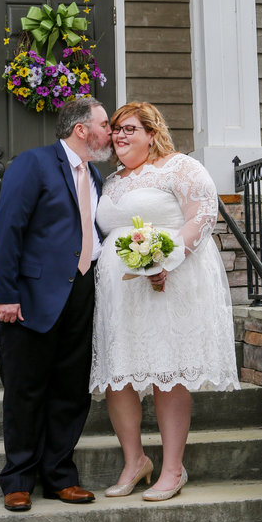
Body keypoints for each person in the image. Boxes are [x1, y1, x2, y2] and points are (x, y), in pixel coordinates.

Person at [90, 102, 239, 501]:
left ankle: (173, 469)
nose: (120, 135)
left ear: (152, 133)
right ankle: (135, 460)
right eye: (116, 129)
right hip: (120, 294)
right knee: (119, 375)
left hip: (168, 285)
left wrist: (166, 260)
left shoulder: (180, 167)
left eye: (130, 129)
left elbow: (203, 215)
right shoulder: (112, 180)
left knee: (166, 371)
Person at [0, 98, 112, 512]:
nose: (111, 132)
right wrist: (4, 293)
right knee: (25, 389)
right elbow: (8, 229)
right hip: (29, 296)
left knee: (71, 389)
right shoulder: (33, 163)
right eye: (105, 124)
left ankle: (59, 475)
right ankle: (18, 479)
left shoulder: (94, 174)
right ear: (81, 129)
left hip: (81, 293)